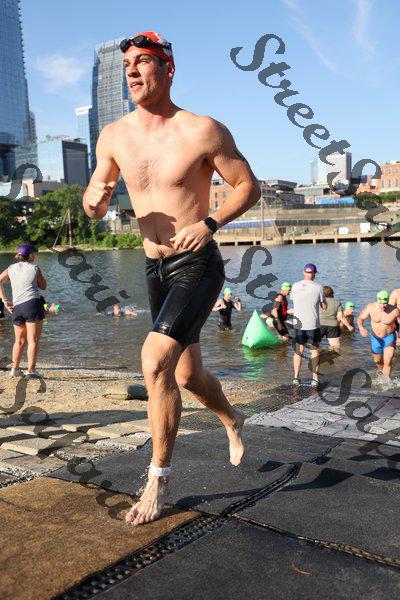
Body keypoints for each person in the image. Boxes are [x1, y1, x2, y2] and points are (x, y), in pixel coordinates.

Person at [83, 30, 261, 526]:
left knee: (154, 362)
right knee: (186, 376)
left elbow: (248, 186)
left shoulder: (202, 130)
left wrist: (210, 224)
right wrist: (93, 202)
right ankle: (232, 417)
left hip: (197, 262)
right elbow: (95, 200)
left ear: (168, 68)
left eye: (143, 61)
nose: (132, 71)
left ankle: (157, 480)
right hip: (154, 266)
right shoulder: (113, 135)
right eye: (127, 65)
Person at [0, 244, 47, 378]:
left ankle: (15, 370)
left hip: (17, 307)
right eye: (34, 254)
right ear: (30, 255)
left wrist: (4, 300)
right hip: (32, 305)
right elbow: (43, 286)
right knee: (33, 340)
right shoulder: (34, 268)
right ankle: (31, 371)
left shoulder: (11, 268)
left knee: (19, 341)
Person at [290, 263, 327, 387]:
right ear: (314, 273)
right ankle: (315, 379)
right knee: (314, 351)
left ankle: (296, 378)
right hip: (312, 324)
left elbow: (294, 300)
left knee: (298, 350)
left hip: (298, 324)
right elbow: (324, 306)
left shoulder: (295, 286)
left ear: (303, 272)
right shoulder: (318, 287)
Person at [358, 290, 400, 380]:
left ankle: (386, 382)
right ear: (377, 301)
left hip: (389, 337)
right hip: (376, 338)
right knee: (378, 361)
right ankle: (381, 372)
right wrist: (361, 327)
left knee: (388, 360)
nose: (382, 306)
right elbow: (360, 318)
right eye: (380, 303)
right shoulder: (370, 307)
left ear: (388, 301)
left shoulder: (395, 311)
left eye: (385, 303)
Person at [319, 286, 354, 351]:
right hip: (332, 326)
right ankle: (331, 356)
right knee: (335, 347)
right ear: (332, 293)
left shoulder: (318, 301)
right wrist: (349, 326)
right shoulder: (337, 302)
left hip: (319, 325)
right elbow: (340, 316)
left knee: (315, 345)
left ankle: (318, 355)